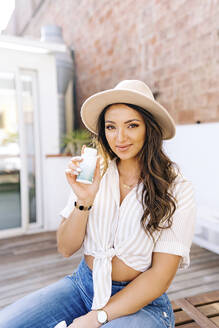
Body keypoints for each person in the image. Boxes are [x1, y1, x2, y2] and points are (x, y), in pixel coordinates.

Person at [0, 80, 196, 328]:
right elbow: (66, 248)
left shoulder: (177, 188)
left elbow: (159, 277)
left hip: (142, 303)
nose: (120, 137)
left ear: (150, 128)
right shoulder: (94, 172)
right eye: (111, 127)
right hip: (83, 287)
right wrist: (84, 200)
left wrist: (96, 318)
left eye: (132, 125)